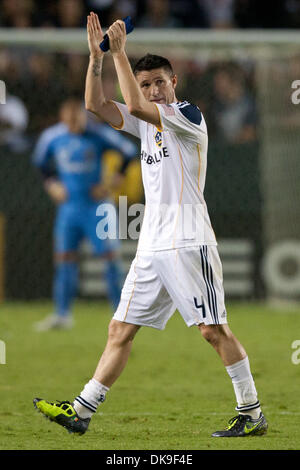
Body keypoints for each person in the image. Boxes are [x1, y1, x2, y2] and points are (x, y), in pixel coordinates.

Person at [33, 12, 268, 438]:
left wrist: (120, 53)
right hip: (152, 245)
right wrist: (96, 59)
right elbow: (95, 105)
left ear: (174, 82)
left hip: (189, 239)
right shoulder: (145, 125)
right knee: (119, 329)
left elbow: (137, 106)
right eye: (146, 84)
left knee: (212, 330)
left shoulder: (189, 116)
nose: (153, 90)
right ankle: (81, 411)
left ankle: (251, 413)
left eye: (160, 81)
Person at [33, 97, 137, 331]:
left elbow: (129, 152)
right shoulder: (52, 137)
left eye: (77, 119)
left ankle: (121, 315)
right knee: (64, 259)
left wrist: (112, 182)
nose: (73, 124)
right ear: (62, 118)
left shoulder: (98, 134)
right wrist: (52, 185)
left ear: (84, 117)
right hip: (69, 208)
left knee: (110, 260)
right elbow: (40, 164)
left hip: (98, 207)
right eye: (69, 120)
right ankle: (62, 315)